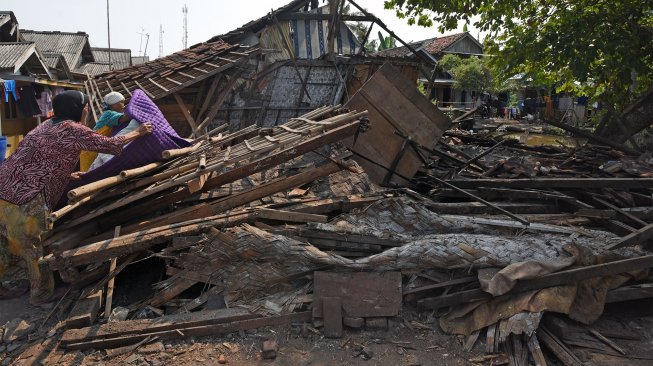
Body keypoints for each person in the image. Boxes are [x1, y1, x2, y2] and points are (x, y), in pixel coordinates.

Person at [0, 91, 152, 305]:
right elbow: (112, 145)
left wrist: (66, 174)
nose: (88, 111)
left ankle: (3, 288)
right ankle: (41, 295)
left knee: (3, 244)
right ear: (81, 110)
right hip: (26, 198)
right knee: (36, 248)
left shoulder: (43, 126)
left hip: (3, 188)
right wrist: (138, 132)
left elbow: (34, 158)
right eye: (86, 107)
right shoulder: (73, 130)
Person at [80, 91, 131, 171]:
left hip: (93, 148)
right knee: (88, 175)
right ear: (114, 104)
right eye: (121, 102)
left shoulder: (108, 113)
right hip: (90, 151)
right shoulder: (109, 114)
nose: (123, 105)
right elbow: (126, 118)